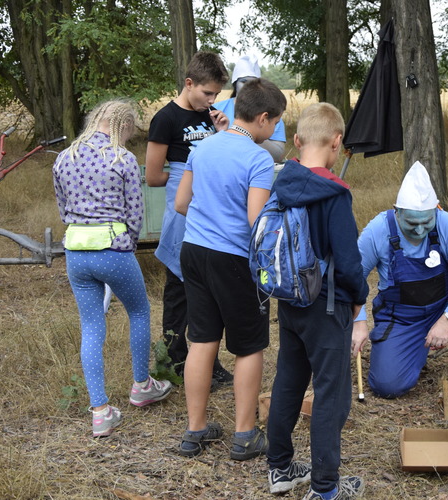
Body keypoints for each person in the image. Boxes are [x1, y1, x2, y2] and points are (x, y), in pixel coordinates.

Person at [174, 78, 287, 459]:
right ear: (263, 118)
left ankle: (195, 430)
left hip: (194, 251)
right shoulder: (258, 159)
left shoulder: (203, 147)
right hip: (235, 259)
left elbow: (180, 203)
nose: (275, 130)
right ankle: (244, 434)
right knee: (249, 345)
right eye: (276, 123)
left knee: (202, 339)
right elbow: (257, 220)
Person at [265, 103, 369, 499]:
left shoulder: (282, 181)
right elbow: (348, 259)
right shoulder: (334, 193)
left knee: (288, 382)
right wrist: (358, 299)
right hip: (326, 305)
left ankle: (280, 468)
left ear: (296, 139)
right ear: (337, 141)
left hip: (289, 298)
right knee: (331, 395)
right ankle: (325, 489)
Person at [53, 99, 173, 437]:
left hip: (76, 250)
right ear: (124, 126)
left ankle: (101, 412)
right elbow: (135, 212)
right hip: (113, 248)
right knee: (139, 311)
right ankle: (141, 386)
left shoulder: (65, 157)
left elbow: (62, 208)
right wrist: (127, 243)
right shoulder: (122, 158)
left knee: (91, 327)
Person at [351, 161, 448, 399]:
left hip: (444, 305)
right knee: (387, 386)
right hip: (403, 318)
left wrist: (447, 319)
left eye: (426, 222)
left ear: (436, 210)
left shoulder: (445, 222)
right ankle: (413, 347)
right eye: (411, 223)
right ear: (397, 211)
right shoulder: (378, 230)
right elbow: (353, 277)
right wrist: (359, 321)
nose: (419, 230)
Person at [145, 51, 233, 386]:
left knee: (211, 291)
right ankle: (173, 358)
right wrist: (188, 179)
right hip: (184, 214)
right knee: (179, 289)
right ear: (189, 83)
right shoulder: (166, 119)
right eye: (207, 93)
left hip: (213, 214)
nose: (212, 100)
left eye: (217, 95)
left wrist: (223, 133)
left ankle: (208, 361)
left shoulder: (211, 118)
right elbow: (153, 176)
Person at [213, 54, 287, 162]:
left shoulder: (272, 113)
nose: (248, 87)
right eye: (244, 81)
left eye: (253, 83)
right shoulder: (216, 109)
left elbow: (278, 155)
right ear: (235, 83)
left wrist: (252, 132)